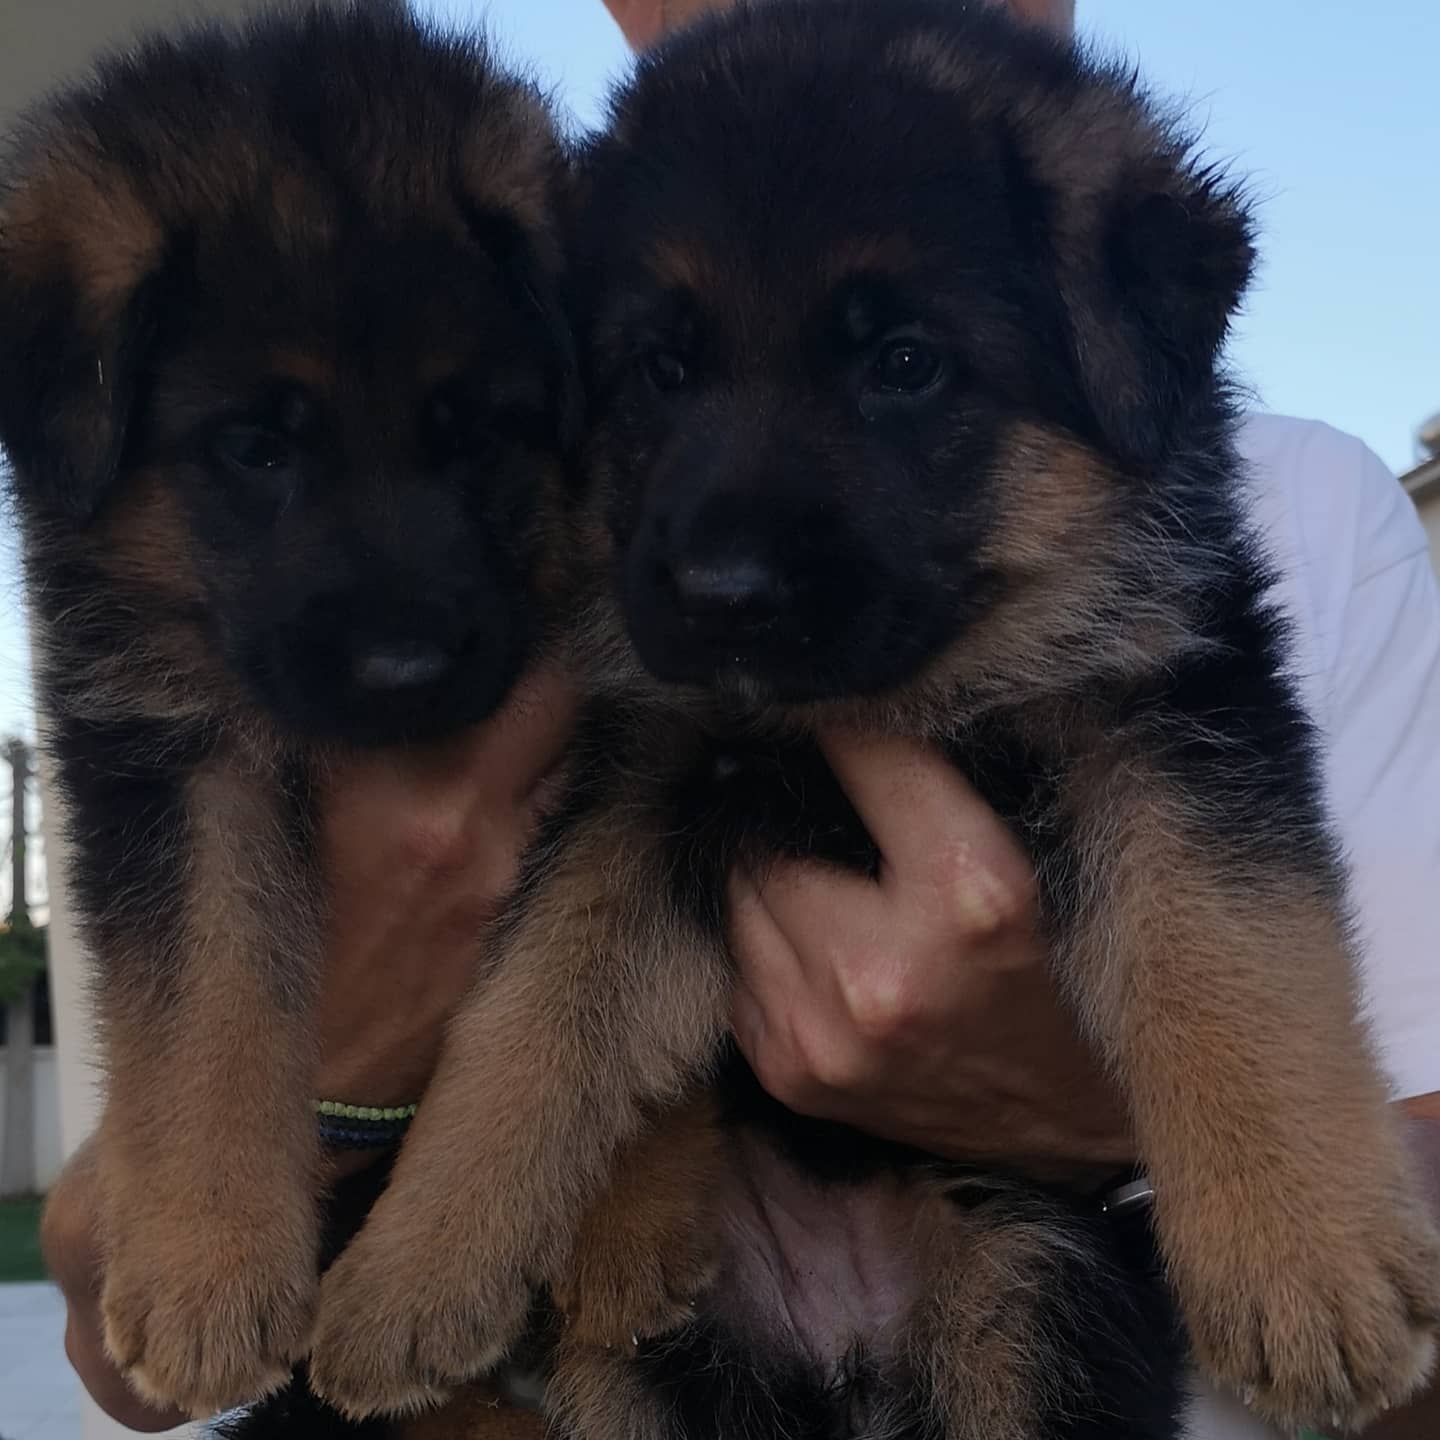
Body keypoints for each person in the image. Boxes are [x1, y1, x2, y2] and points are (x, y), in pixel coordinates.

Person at [41, 1, 1439, 1437]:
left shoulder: (1319, 518)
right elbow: (109, 1338)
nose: (726, 547)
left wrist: (1116, 1127)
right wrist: (394, 1147)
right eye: (663, 368)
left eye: (905, 369)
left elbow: (1202, 837)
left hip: (1016, 1280)